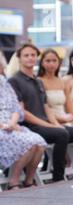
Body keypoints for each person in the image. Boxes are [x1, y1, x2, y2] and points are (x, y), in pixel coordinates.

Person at [8, 43, 73, 182]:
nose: (30, 58)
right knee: (61, 134)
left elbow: (46, 107)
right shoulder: (14, 80)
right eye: (26, 55)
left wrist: (55, 123)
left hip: (47, 124)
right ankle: (58, 178)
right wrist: (50, 125)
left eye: (32, 55)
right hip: (30, 126)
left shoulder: (38, 82)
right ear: (19, 58)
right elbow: (22, 111)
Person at [0, 52, 47, 190]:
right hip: (1, 128)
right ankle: (14, 180)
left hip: (12, 125)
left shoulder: (4, 83)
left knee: (39, 142)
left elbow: (16, 108)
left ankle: (29, 180)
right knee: (29, 143)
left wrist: (12, 123)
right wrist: (4, 125)